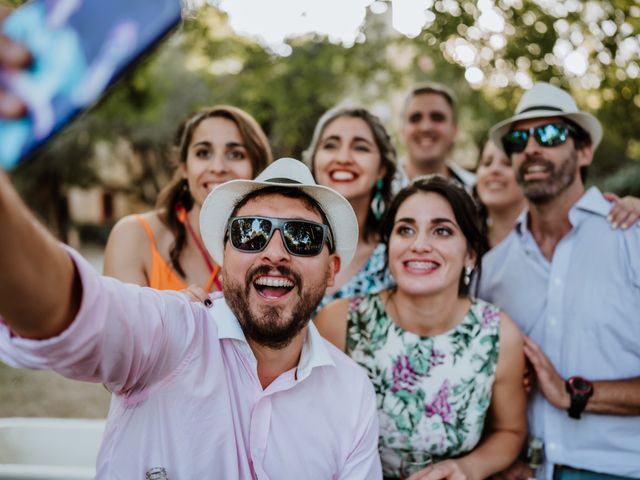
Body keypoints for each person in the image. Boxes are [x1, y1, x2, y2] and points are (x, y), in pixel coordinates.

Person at [0, 158, 382, 478]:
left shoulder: (351, 394)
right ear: (224, 255)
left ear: (332, 270)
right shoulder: (171, 333)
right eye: (250, 233)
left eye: (302, 237)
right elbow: (71, 311)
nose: (275, 253)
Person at [316, 175, 527, 479]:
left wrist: (466, 468)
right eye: (406, 230)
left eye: (441, 230)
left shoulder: (497, 334)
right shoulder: (339, 322)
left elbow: (510, 430)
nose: (420, 245)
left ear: (470, 252)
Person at [479, 82, 640, 480]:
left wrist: (575, 394)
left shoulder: (632, 239)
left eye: (550, 134)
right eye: (519, 139)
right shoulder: (491, 270)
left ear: (584, 151)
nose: (532, 148)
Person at [104, 105, 272, 292]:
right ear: (184, 167)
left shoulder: (277, 246)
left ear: (258, 169)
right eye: (203, 153)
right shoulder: (134, 236)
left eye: (235, 154)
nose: (217, 167)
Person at [304, 105, 396, 310]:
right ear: (314, 160)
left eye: (360, 147)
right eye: (330, 145)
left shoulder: (395, 258)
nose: (343, 158)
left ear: (382, 169)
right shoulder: (277, 240)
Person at [475, 139, 640, 249]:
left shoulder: (577, 230)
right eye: (486, 163)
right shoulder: (462, 238)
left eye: (506, 163)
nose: (494, 170)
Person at [399, 83, 475, 189]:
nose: (426, 127)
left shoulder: (478, 190)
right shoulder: (374, 187)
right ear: (402, 131)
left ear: (455, 130)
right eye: (415, 118)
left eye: (437, 117)